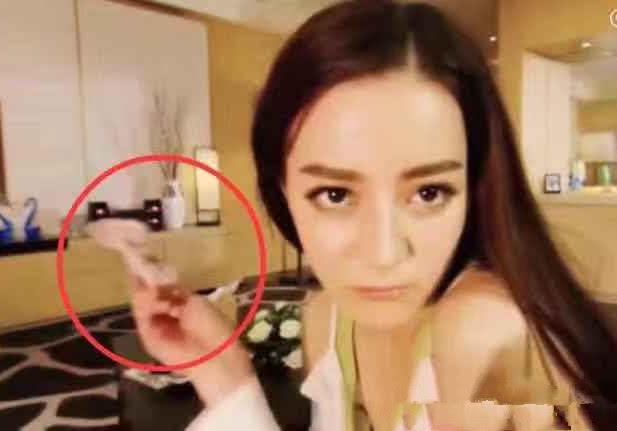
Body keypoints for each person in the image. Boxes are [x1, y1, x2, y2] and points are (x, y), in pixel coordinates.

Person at [128, 1, 617, 430]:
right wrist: (223, 373)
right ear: (283, 192)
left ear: (475, 188)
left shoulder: (481, 335)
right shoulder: (328, 323)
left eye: (428, 192)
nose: (384, 254)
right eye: (335, 194)